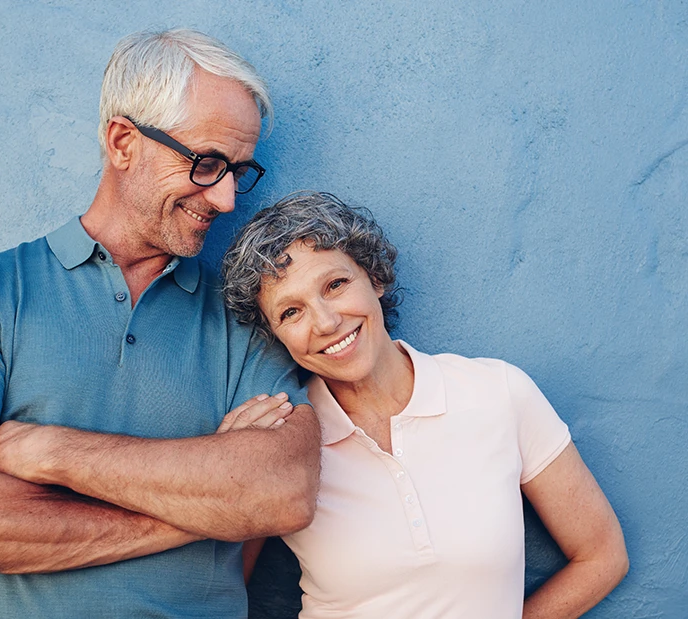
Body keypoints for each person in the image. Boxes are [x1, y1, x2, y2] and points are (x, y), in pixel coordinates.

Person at [0, 29, 321, 619]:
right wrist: (203, 506)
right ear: (123, 142)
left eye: (238, 171)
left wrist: (51, 452)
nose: (225, 199)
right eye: (206, 163)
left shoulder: (248, 309)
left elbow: (281, 492)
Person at [221, 191, 629, 619]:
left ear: (374, 278)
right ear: (275, 337)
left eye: (335, 285)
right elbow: (219, 592)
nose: (325, 322)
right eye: (291, 312)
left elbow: (602, 556)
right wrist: (227, 467)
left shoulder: (498, 393)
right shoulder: (282, 440)